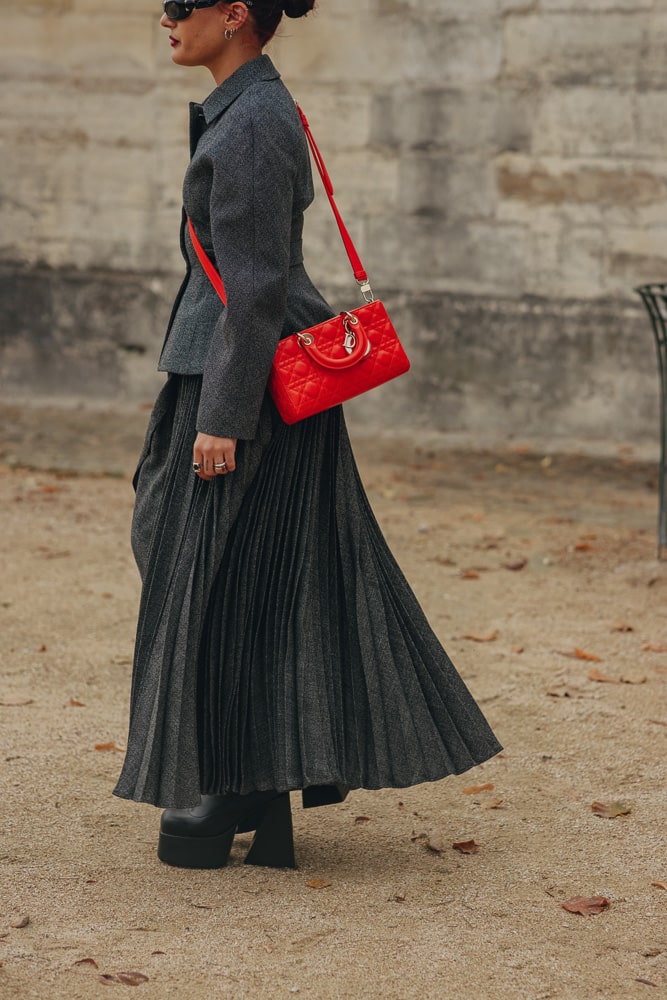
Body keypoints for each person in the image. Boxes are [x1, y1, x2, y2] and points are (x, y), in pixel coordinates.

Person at [113, 0, 502, 870]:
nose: (162, 17)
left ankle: (230, 782)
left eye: (181, 5)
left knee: (210, 564)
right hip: (238, 374)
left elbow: (252, 290)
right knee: (229, 564)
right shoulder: (247, 107)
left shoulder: (251, 123)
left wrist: (221, 415)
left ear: (234, 14)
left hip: (247, 386)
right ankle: (245, 775)